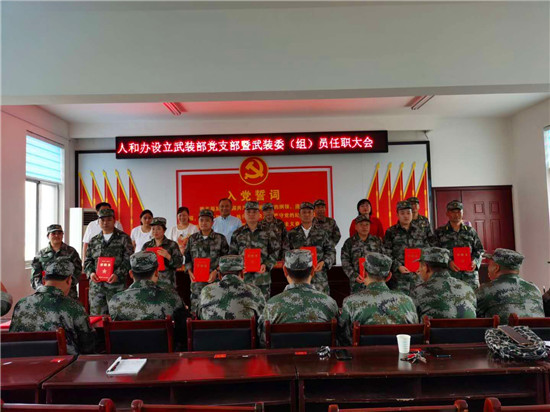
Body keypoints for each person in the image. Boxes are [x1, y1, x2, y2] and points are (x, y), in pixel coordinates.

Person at [10, 258, 95, 354]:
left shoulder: (21, 304)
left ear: (44, 279)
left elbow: (12, 340)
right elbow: (88, 346)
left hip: (24, 361)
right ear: (68, 280)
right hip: (65, 362)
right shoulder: (74, 307)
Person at [108, 251, 189, 347]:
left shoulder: (115, 301)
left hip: (127, 354)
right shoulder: (172, 298)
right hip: (163, 354)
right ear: (157, 272)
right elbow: (184, 332)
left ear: (131, 274)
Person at [259, 249, 338, 346]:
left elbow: (263, 341)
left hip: (283, 356)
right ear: (313, 271)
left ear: (285, 271)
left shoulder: (271, 305)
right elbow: (339, 339)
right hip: (319, 355)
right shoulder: (330, 303)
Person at [338, 252, 418, 346]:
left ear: (364, 273)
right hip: (398, 354)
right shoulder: (407, 301)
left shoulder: (350, 302)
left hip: (363, 354)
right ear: (389, 276)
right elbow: (415, 334)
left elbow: (343, 339)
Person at [84, 208, 133, 315]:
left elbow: (129, 259)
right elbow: (88, 261)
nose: (105, 223)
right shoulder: (94, 240)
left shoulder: (124, 238)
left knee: (117, 317)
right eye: (102, 220)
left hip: (116, 285)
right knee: (97, 318)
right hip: (97, 287)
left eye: (109, 220)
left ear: (114, 221)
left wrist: (117, 274)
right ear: (98, 222)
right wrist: (91, 273)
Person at [383, 201, 435, 295]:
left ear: (412, 214)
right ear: (397, 215)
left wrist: (423, 265)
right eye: (402, 213)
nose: (406, 216)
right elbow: (386, 252)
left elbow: (427, 249)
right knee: (400, 302)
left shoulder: (420, 231)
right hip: (399, 278)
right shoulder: (391, 232)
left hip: (419, 276)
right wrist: (398, 266)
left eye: (408, 213)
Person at [229, 201, 278, 301]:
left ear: (259, 214)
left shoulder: (268, 232)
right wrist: (239, 267)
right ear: (244, 214)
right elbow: (232, 255)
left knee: (263, 307)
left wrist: (266, 265)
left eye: (254, 212)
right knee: (244, 307)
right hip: (243, 279)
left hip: (262, 279)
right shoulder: (237, 233)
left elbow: (275, 252)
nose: (251, 214)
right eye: (248, 212)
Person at [476, 248, 544, 319]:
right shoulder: (534, 288)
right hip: (536, 327)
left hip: (507, 327)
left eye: (489, 265)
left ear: (496, 268)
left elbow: (472, 316)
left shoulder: (486, 290)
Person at [411, 247, 477, 319]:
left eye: (420, 266)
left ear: (426, 267)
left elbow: (412, 321)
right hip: (470, 327)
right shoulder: (468, 288)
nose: (419, 270)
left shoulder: (418, 291)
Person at [184, 209, 230, 313]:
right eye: (201, 220)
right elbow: (187, 256)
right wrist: (190, 272)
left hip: (214, 281)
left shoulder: (220, 238)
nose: (204, 223)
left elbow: (225, 258)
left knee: (215, 309)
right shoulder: (192, 239)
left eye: (207, 220)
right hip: (197, 282)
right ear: (198, 222)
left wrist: (216, 271)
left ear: (212, 222)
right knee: (196, 310)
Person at [287, 202, 336, 295]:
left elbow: (331, 251)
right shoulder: (292, 234)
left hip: (319, 278)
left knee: (321, 302)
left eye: (309, 212)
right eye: (304, 212)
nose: (306, 215)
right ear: (299, 215)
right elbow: (286, 253)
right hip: (298, 279)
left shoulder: (322, 233)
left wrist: (324, 262)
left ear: (313, 214)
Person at [434, 200, 484, 289]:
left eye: (459, 212)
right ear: (447, 213)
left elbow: (479, 250)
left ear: (462, 213)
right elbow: (436, 252)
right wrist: (448, 262)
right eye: (453, 212)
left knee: (472, 297)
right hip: (449, 276)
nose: (456, 215)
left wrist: (475, 262)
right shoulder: (440, 232)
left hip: (469, 277)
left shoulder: (470, 231)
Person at [198, 255, 266, 321]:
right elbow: (264, 317)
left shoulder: (206, 290)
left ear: (219, 275)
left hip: (212, 329)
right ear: (242, 274)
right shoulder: (254, 290)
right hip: (244, 329)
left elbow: (199, 315)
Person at [31, 224, 82, 300]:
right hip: (47, 294)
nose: (57, 235)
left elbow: (78, 271)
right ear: (48, 236)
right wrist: (41, 288)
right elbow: (35, 275)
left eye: (59, 233)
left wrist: (66, 285)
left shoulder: (71, 252)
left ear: (63, 235)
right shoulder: (41, 254)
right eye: (53, 233)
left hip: (68, 293)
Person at [340, 215, 384, 294]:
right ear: (356, 227)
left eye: (367, 224)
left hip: (374, 281)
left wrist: (380, 275)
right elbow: (345, 261)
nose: (364, 227)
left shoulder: (377, 241)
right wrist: (353, 275)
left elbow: (383, 258)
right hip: (357, 282)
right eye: (361, 225)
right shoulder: (349, 242)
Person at [142, 217, 183, 288]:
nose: (155, 231)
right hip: (151, 284)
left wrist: (168, 256)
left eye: (158, 228)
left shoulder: (172, 245)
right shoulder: (147, 245)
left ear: (164, 230)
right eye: (153, 229)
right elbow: (141, 263)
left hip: (167, 283)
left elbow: (179, 263)